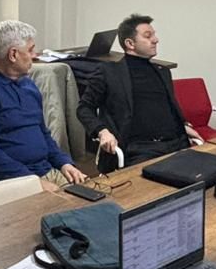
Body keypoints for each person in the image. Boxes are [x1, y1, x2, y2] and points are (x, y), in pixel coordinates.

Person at [0, 20, 86, 188]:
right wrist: (32, 182)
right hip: (8, 183)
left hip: (43, 173)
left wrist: (64, 163)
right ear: (13, 54)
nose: (35, 55)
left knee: (98, 198)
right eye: (30, 50)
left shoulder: (28, 85)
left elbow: (43, 134)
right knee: (75, 204)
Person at [77, 14, 202, 169]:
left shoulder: (162, 71)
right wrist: (102, 131)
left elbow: (165, 108)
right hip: (140, 150)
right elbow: (84, 108)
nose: (155, 40)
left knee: (212, 174)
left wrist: (182, 125)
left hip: (177, 143)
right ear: (130, 43)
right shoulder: (109, 72)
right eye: (148, 36)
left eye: (154, 35)